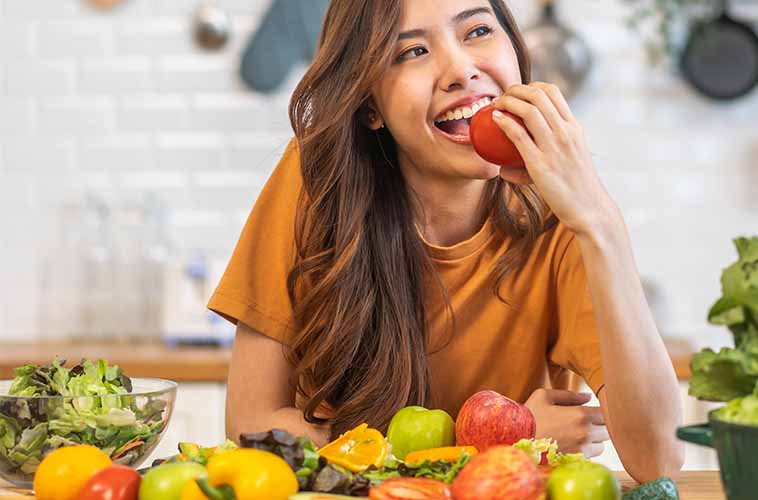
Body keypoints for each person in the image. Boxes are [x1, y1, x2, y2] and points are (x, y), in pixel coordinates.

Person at [209, 0, 684, 482]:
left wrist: (601, 223)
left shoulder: (560, 215)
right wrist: (500, 441)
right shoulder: (318, 181)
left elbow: (658, 458)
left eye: (477, 31)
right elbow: (251, 427)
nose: (461, 70)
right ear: (370, 106)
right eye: (413, 51)